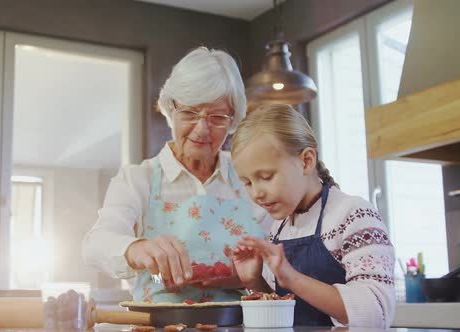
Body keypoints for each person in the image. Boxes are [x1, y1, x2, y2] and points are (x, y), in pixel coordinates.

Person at [82, 47, 273, 303]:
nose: (202, 129)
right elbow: (96, 244)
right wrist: (136, 248)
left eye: (217, 117)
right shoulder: (139, 179)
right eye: (190, 113)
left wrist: (246, 277)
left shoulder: (249, 178)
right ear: (171, 110)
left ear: (233, 120)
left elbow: (281, 258)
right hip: (159, 323)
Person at [230, 104, 395, 327]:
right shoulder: (279, 228)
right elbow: (288, 314)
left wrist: (291, 277)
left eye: (266, 177)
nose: (256, 193)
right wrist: (254, 280)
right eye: (247, 183)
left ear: (306, 161)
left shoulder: (353, 215)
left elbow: (376, 313)